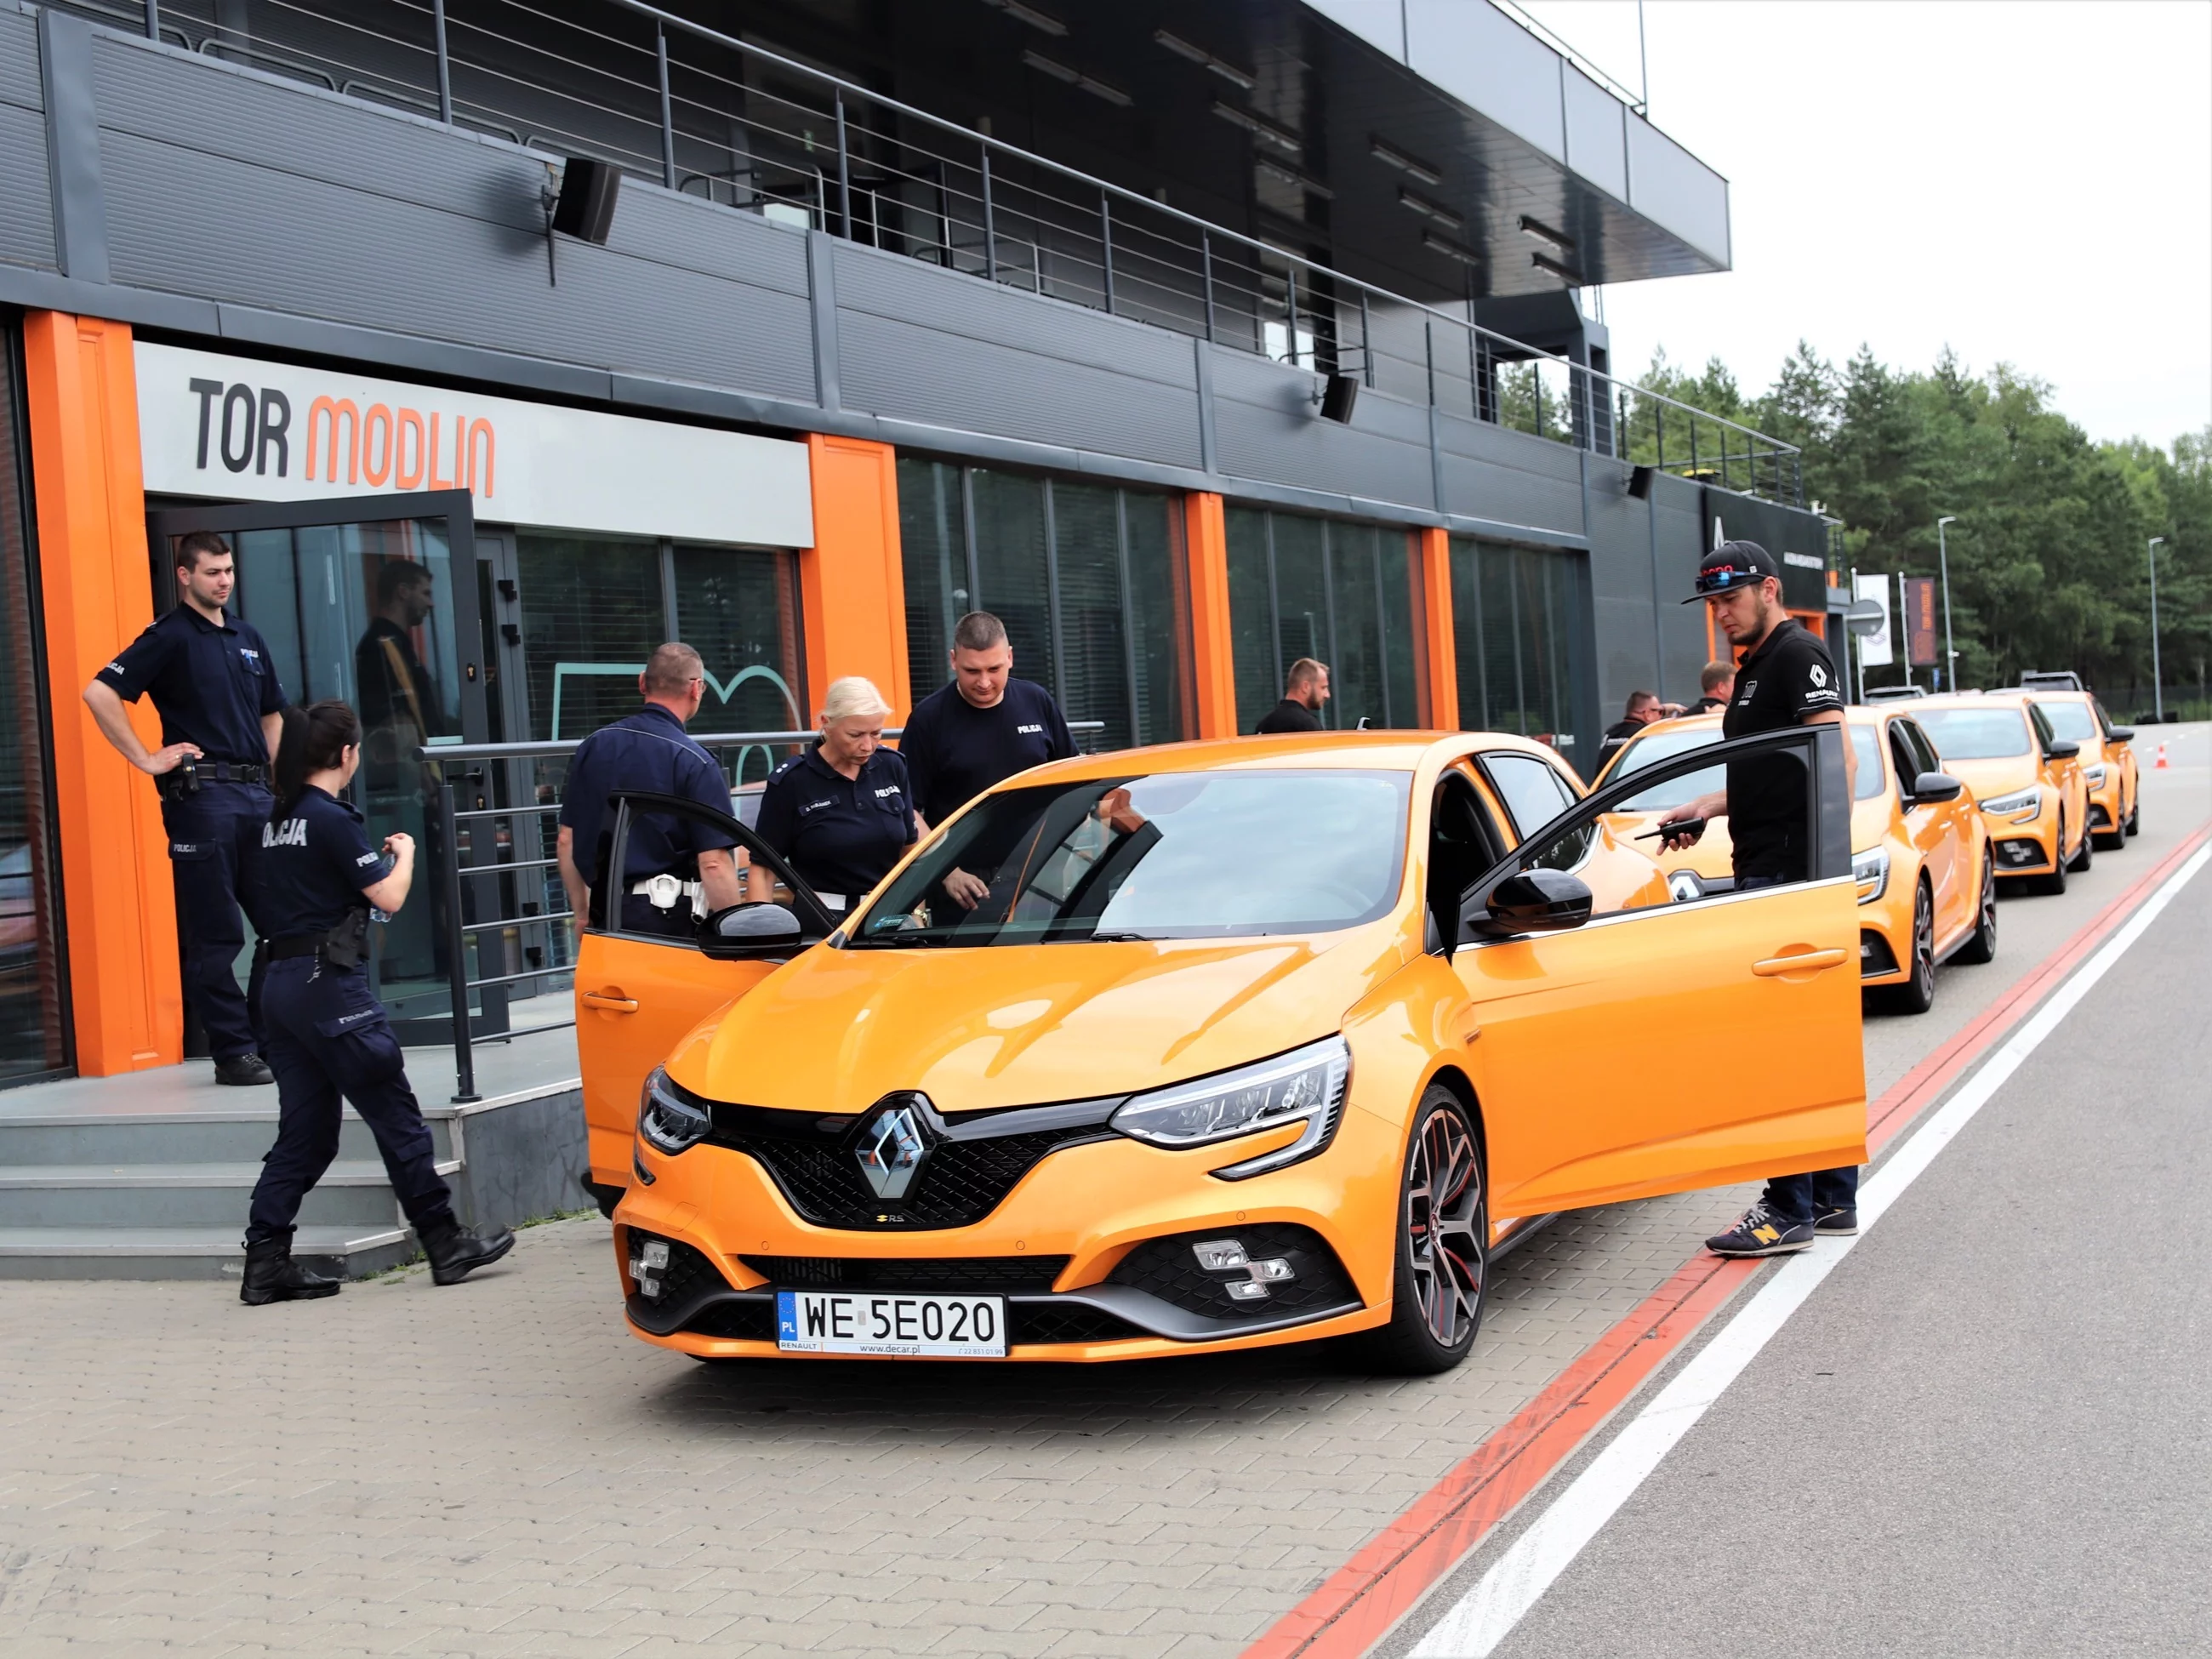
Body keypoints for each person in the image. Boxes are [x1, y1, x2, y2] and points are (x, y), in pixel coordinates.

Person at [242, 700, 513, 1304]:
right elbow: (387, 897)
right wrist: (407, 854)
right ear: (345, 755)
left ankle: (264, 1261)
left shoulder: (271, 819)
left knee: (307, 1133)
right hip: (329, 985)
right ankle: (444, 1243)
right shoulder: (329, 818)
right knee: (395, 1114)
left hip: (278, 985)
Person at [1656, 541, 1858, 1259]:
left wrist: (1816, 872)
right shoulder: (1751, 671)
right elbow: (1765, 772)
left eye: (1730, 599)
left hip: (1788, 877)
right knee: (1807, 1038)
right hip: (1769, 867)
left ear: (1769, 589)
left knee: (1776, 1047)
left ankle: (1785, 1207)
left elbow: (1833, 759)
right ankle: (1831, 1197)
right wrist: (1706, 807)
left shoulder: (1797, 655)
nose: (1720, 614)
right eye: (1712, 605)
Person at [83, 531, 283, 1086]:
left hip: (256, 794)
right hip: (204, 799)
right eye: (212, 572)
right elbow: (100, 692)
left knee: (285, 923)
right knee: (217, 933)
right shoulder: (168, 636)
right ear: (184, 576)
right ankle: (234, 1052)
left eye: (228, 570)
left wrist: (275, 777)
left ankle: (272, 1041)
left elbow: (273, 713)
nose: (223, 580)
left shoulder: (248, 636)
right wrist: (147, 758)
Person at [556, 643, 744, 938]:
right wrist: (739, 935)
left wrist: (582, 914)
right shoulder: (695, 761)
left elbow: (567, 840)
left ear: (643, 682)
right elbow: (714, 864)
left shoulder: (593, 746)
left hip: (604, 915)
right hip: (669, 921)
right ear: (696, 688)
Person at [899, 612, 1075, 909]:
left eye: (994, 669)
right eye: (971, 671)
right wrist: (945, 872)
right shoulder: (928, 719)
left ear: (1010, 657)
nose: (984, 682)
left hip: (1042, 874)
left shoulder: (1037, 700)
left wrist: (1068, 854)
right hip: (965, 886)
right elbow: (907, 809)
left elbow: (1072, 778)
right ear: (953, 660)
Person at [749, 676, 916, 915]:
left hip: (886, 917)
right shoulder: (793, 781)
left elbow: (910, 853)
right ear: (827, 723)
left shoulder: (891, 766)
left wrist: (915, 914)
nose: (868, 746)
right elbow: (763, 870)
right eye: (856, 735)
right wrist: (759, 933)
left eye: (876, 733)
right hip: (823, 919)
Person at [1595, 689, 1680, 769]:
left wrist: (1662, 709)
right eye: (1660, 712)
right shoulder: (1647, 735)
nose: (1661, 716)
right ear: (1647, 714)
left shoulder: (1611, 732)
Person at [1256, 658, 1331, 733]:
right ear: (1306, 687)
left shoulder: (1263, 725)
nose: (1327, 695)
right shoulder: (1307, 725)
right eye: (1323, 687)